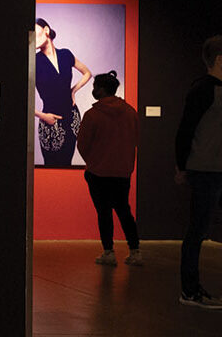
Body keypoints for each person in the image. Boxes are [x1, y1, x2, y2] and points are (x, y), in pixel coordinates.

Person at [174, 34, 222, 309]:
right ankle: (190, 290)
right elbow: (185, 130)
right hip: (206, 170)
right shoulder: (204, 90)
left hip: (219, 168)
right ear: (220, 60)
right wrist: (182, 165)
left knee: (199, 228)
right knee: (198, 230)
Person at [75, 70, 142, 266]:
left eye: (95, 87)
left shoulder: (92, 115)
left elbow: (82, 144)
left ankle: (109, 252)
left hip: (98, 172)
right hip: (122, 172)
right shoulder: (131, 112)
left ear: (102, 90)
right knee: (124, 210)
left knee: (103, 212)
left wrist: (93, 161)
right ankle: (135, 250)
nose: (94, 90)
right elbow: (136, 140)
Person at [35, 18, 93, 168]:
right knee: (51, 168)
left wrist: (73, 90)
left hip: (72, 118)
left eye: (35, 33)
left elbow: (87, 73)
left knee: (67, 164)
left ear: (46, 30)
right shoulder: (33, 61)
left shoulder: (66, 54)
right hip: (50, 122)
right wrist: (43, 116)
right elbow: (19, 99)